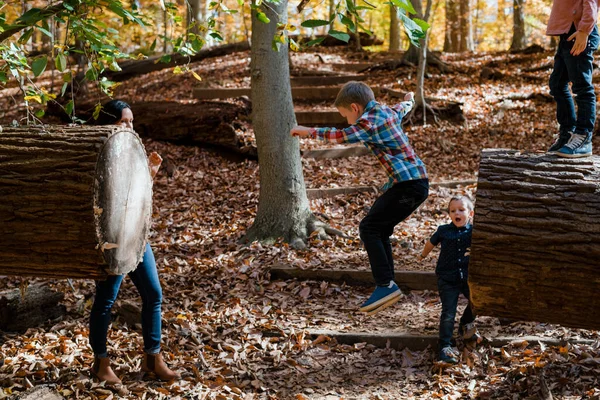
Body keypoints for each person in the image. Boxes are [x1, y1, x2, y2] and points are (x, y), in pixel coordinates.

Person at [291, 81, 429, 315]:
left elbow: (343, 136)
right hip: (414, 183)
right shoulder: (386, 111)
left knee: (369, 228)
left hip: (409, 185)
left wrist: (309, 132)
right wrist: (410, 99)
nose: (347, 120)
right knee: (379, 229)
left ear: (355, 108)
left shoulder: (368, 122)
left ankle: (385, 285)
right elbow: (402, 107)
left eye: (346, 115)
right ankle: (388, 284)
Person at [89, 100, 179, 384]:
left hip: (136, 235)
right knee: (105, 301)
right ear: (109, 124)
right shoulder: (100, 153)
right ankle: (100, 363)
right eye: (123, 122)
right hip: (111, 239)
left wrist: (149, 174)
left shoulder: (131, 151)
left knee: (153, 294)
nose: (130, 127)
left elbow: (137, 198)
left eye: (131, 121)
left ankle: (153, 358)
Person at [419, 196, 478, 364]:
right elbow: (431, 243)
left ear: (470, 213)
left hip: (467, 277)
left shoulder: (474, 231)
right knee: (448, 312)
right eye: (453, 211)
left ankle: (465, 323)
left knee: (476, 302)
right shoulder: (443, 230)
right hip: (447, 277)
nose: (456, 213)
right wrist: (423, 255)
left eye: (461, 210)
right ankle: (445, 345)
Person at [546, 0, 599, 158]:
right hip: (567, 33)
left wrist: (584, 30)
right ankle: (568, 132)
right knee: (557, 84)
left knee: (582, 87)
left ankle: (583, 136)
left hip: (579, 32)